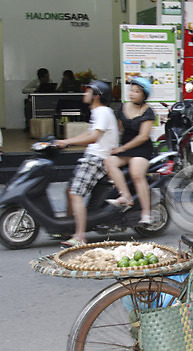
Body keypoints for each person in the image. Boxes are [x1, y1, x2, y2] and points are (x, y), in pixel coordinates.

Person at [54, 81, 119, 246]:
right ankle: (68, 228)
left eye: (87, 92)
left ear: (96, 96)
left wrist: (67, 142)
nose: (84, 94)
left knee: (76, 193)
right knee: (70, 190)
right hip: (92, 155)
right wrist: (65, 141)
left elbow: (93, 137)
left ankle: (80, 236)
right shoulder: (98, 112)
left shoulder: (102, 112)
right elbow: (90, 133)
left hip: (97, 158)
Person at [103, 77, 155, 225]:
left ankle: (146, 213)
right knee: (109, 161)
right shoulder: (123, 107)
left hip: (141, 149)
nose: (132, 93)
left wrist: (123, 148)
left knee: (136, 172)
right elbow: (119, 129)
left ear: (144, 95)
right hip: (125, 148)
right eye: (131, 90)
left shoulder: (148, 112)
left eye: (136, 91)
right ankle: (126, 196)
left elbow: (143, 136)